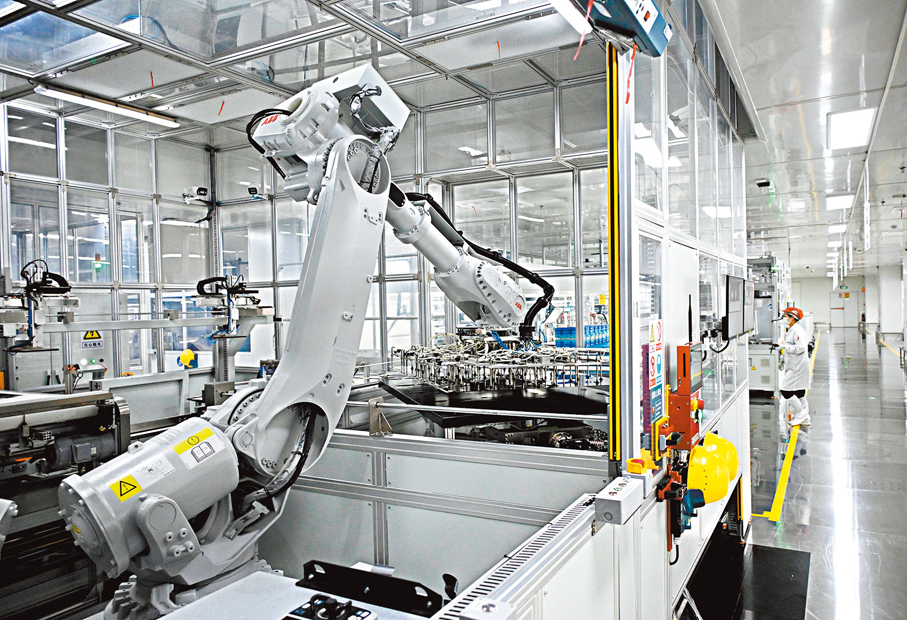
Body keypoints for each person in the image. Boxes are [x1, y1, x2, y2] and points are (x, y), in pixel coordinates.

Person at [779, 307, 811, 430]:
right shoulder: (792, 329)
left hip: (797, 366)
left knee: (785, 390)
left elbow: (801, 348)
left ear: (792, 317)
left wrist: (783, 347)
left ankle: (802, 413)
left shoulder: (797, 330)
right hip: (795, 364)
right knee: (799, 392)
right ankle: (806, 418)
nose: (784, 318)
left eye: (786, 316)